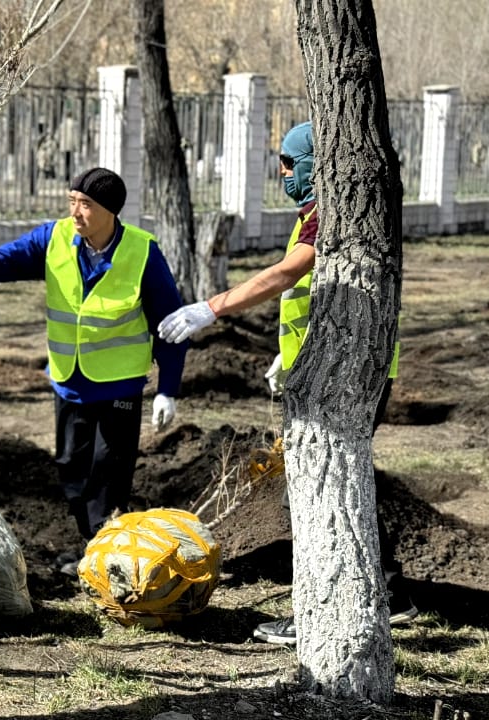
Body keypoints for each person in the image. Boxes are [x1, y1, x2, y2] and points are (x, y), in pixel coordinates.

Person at [156, 120, 416, 645]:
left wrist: (212, 307)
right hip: (325, 368)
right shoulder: (319, 215)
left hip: (345, 376)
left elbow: (284, 275)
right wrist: (289, 353)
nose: (281, 171)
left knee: (325, 487)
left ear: (317, 166)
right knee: (337, 481)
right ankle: (386, 595)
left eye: (289, 162)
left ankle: (336, 610)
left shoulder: (333, 219)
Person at [0, 167, 189, 575]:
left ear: (110, 211)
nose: (76, 212)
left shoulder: (142, 252)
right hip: (70, 381)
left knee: (109, 473)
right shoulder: (54, 238)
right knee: (72, 470)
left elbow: (169, 323)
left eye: (86, 205)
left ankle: (102, 554)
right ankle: (94, 543)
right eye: (72, 201)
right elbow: (0, 259)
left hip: (119, 385)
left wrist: (169, 388)